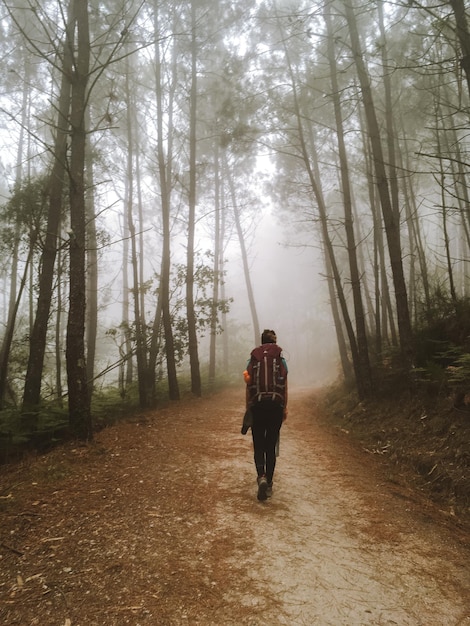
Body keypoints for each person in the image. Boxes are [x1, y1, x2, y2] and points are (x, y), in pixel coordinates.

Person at [244, 329, 288, 501]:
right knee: (270, 445)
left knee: (259, 444)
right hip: (276, 406)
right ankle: (268, 483)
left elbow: (248, 386)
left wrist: (248, 407)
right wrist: (284, 407)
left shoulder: (253, 359)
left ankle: (261, 476)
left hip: (257, 405)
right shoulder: (280, 359)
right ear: (274, 342)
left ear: (262, 342)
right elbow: (285, 386)